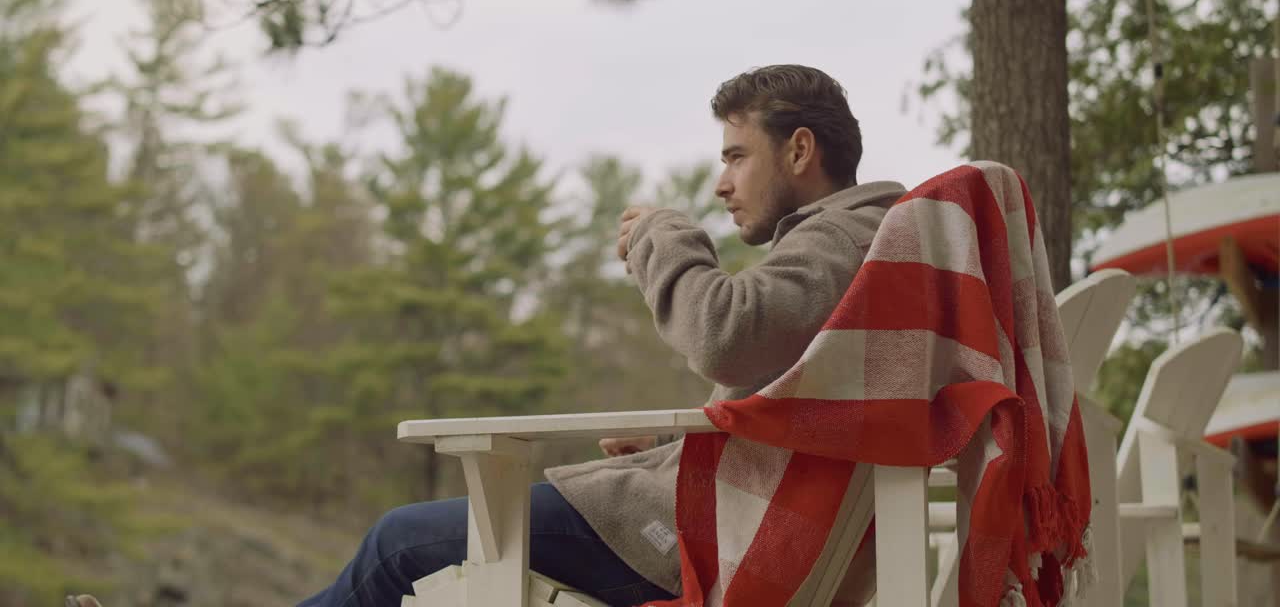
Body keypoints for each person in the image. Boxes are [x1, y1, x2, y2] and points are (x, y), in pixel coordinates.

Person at [77, 64, 905, 607]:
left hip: (693, 534)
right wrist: (671, 440)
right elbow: (801, 403)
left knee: (397, 544)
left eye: (736, 156)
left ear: (800, 150)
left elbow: (725, 334)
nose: (722, 182)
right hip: (721, 514)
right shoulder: (867, 251)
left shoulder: (841, 241)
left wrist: (666, 235)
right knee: (408, 554)